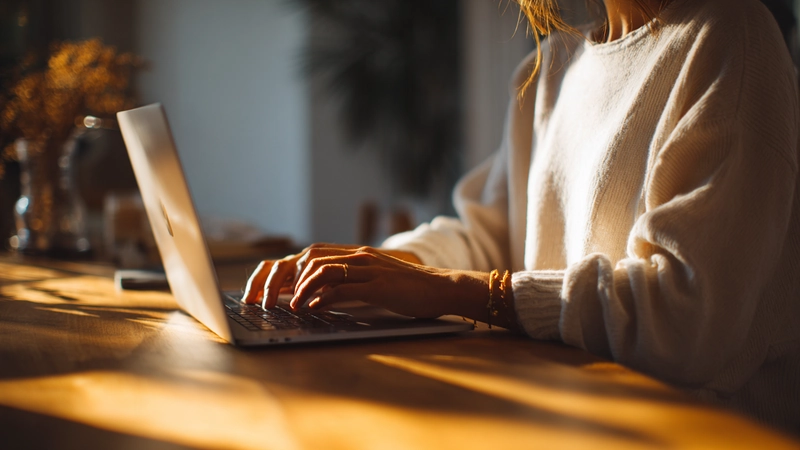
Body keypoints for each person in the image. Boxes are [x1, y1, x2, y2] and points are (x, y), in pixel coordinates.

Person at [244, 0, 800, 434]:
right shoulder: (552, 65)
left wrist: (460, 291)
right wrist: (373, 270)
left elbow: (685, 318)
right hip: (565, 414)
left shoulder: (730, 36)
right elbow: (487, 234)